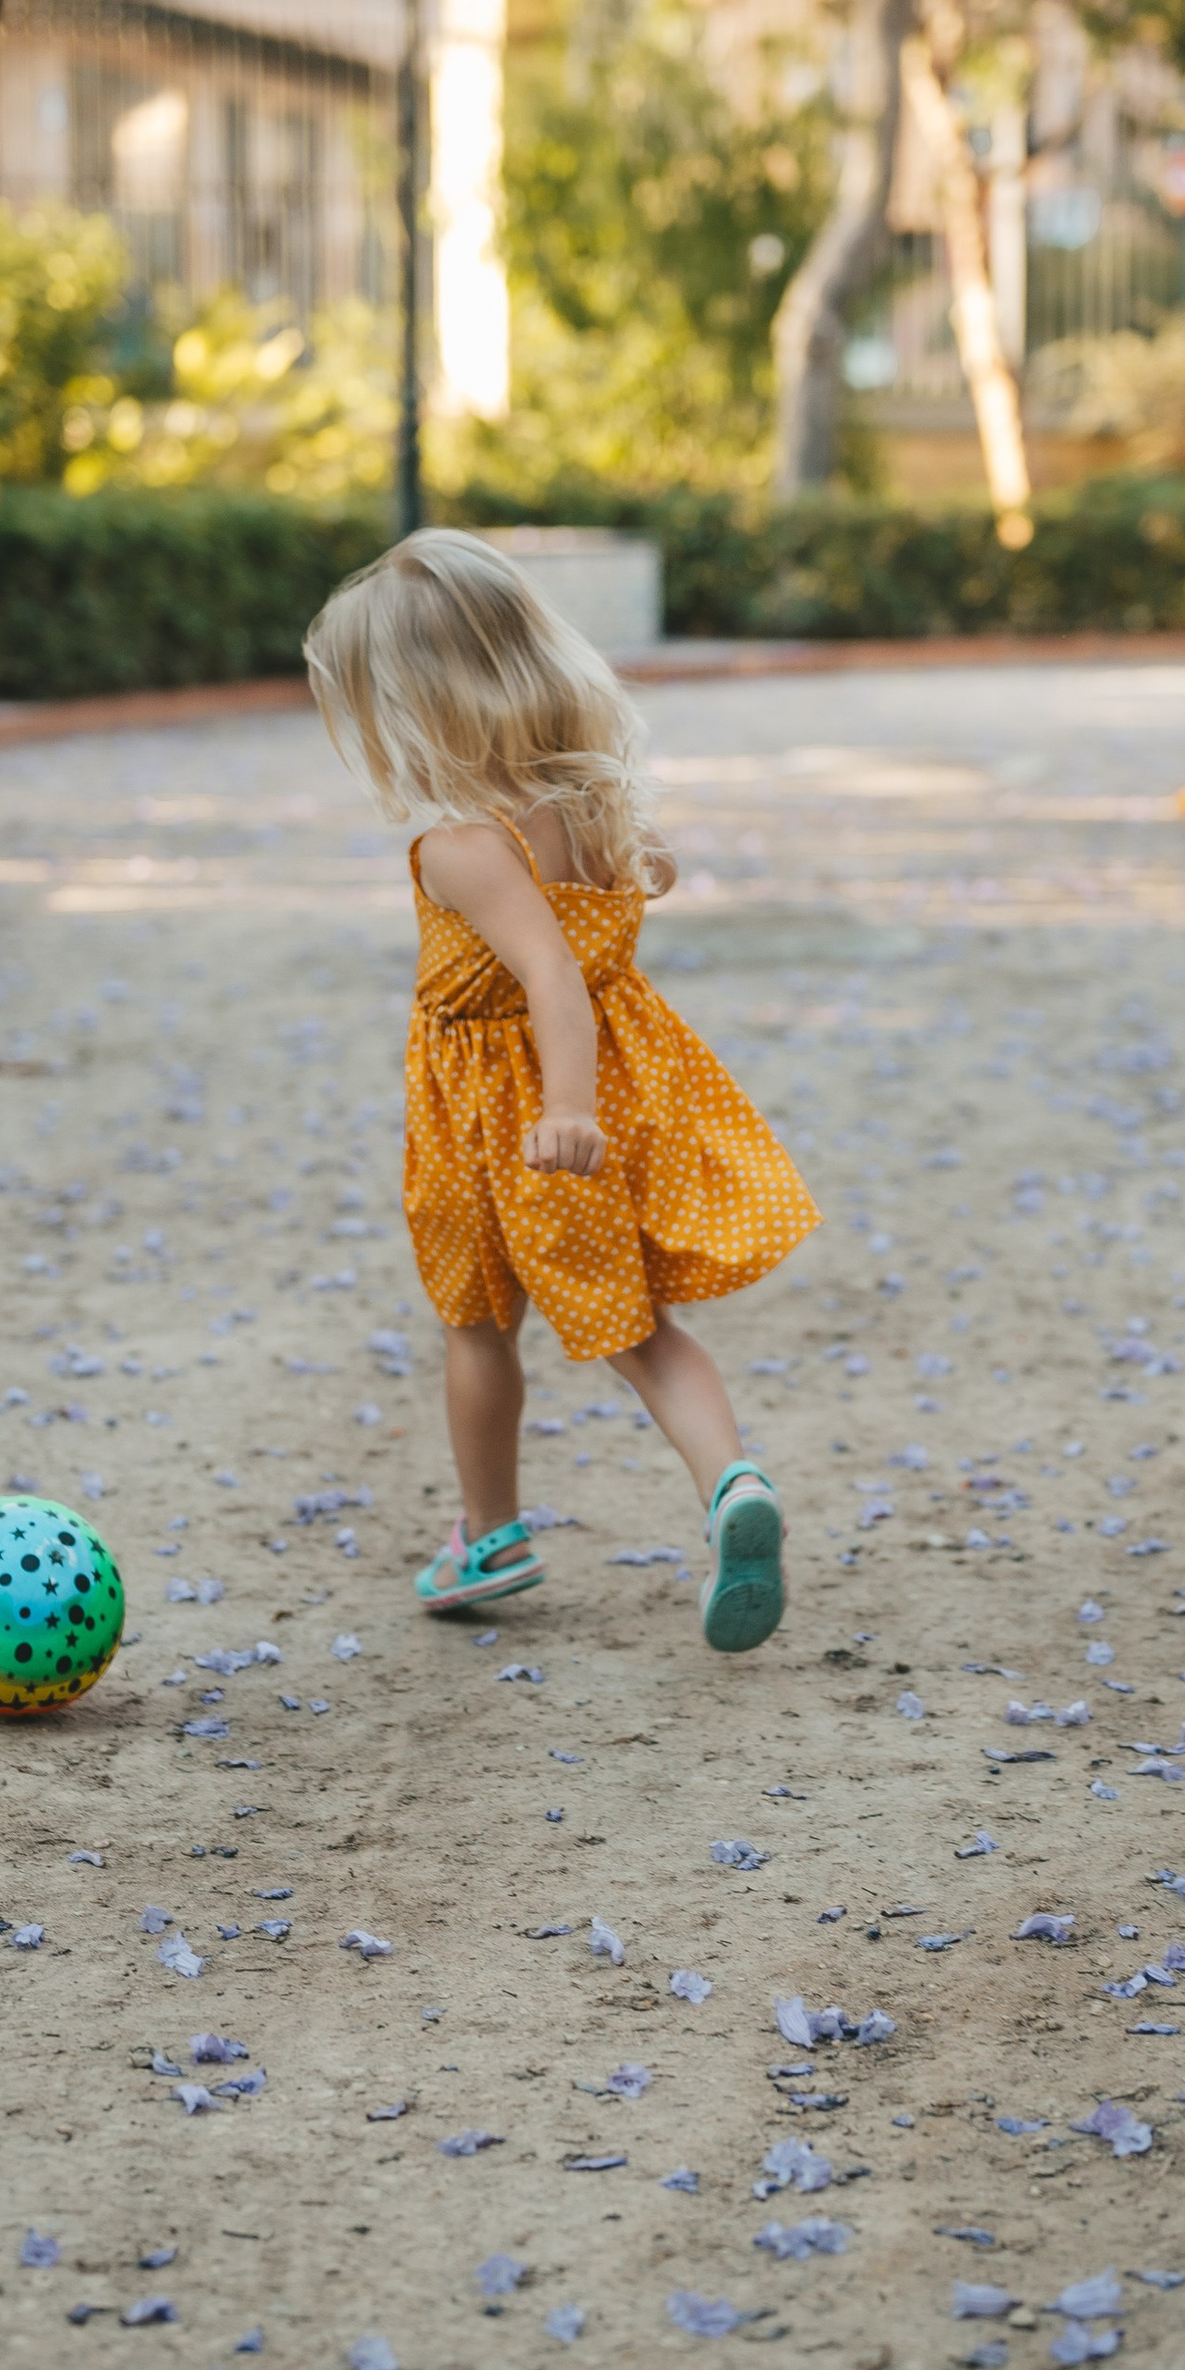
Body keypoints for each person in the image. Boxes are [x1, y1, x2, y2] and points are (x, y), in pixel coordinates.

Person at [304, 529, 817, 1653]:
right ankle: (731, 1482)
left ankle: (489, 1533)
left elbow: (546, 973)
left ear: (415, 708)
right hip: (614, 1084)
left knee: (478, 1325)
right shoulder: (583, 803)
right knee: (643, 1331)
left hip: (515, 1119)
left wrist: (563, 1110)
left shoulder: (459, 843)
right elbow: (625, 901)